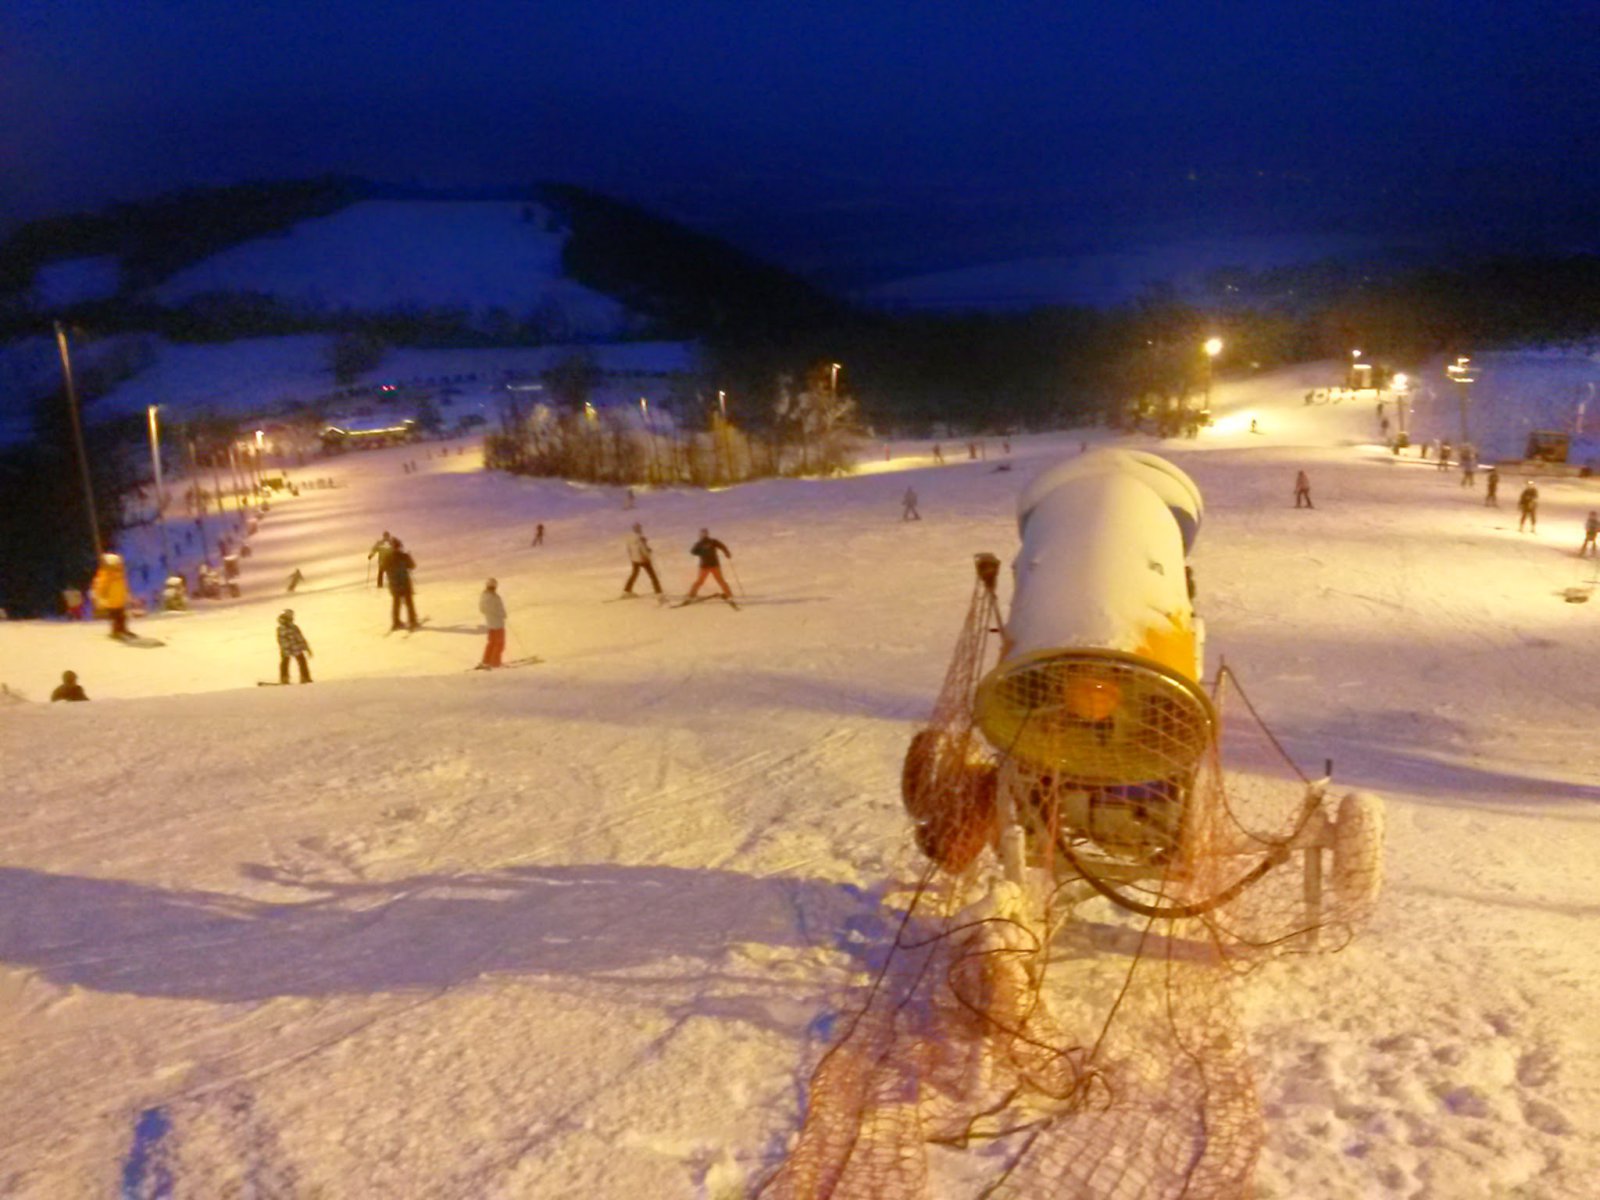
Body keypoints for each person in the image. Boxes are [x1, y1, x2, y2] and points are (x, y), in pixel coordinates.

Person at [90, 552, 131, 639]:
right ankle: (116, 631)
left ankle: (122, 629)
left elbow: (124, 586)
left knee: (122, 616)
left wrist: (126, 593)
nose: (119, 565)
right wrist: (102, 595)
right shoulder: (106, 574)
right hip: (111, 600)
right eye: (117, 564)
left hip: (119, 599)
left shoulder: (120, 574)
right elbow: (101, 585)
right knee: (116, 617)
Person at [687, 528, 733, 600]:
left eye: (705, 533)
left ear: (707, 534)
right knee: (700, 581)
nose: (703, 535)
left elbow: (722, 546)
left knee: (719, 580)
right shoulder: (699, 544)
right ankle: (691, 594)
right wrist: (701, 552)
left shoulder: (712, 541)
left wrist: (727, 553)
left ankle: (728, 594)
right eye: (702, 534)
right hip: (705, 566)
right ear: (700, 535)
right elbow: (693, 552)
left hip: (713, 565)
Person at [623, 522, 663, 597]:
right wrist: (648, 554)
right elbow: (643, 549)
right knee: (653, 576)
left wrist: (632, 558)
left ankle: (627, 591)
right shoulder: (640, 539)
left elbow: (629, 549)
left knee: (634, 575)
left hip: (635, 560)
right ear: (638, 529)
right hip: (643, 560)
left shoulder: (630, 539)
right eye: (639, 528)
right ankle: (659, 592)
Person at [388, 538, 420, 630]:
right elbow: (412, 566)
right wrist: (409, 557)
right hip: (405, 583)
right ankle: (412, 621)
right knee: (409, 603)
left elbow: (384, 568)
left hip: (394, 585)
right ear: (399, 546)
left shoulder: (388, 558)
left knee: (396, 603)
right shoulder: (404, 556)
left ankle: (396, 622)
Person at [276, 609, 313, 684]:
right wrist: (305, 648)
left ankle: (303, 677)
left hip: (291, 648)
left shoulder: (287, 627)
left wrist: (306, 648)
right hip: (291, 648)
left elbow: (300, 638)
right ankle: (287, 678)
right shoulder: (287, 627)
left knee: (299, 662)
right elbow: (298, 638)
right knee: (288, 663)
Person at [478, 578, 506, 668]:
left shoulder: (484, 596)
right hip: (497, 624)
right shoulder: (493, 597)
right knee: (499, 643)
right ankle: (495, 662)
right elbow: (497, 609)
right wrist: (502, 614)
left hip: (490, 624)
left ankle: (487, 660)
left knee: (492, 643)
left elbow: (482, 609)